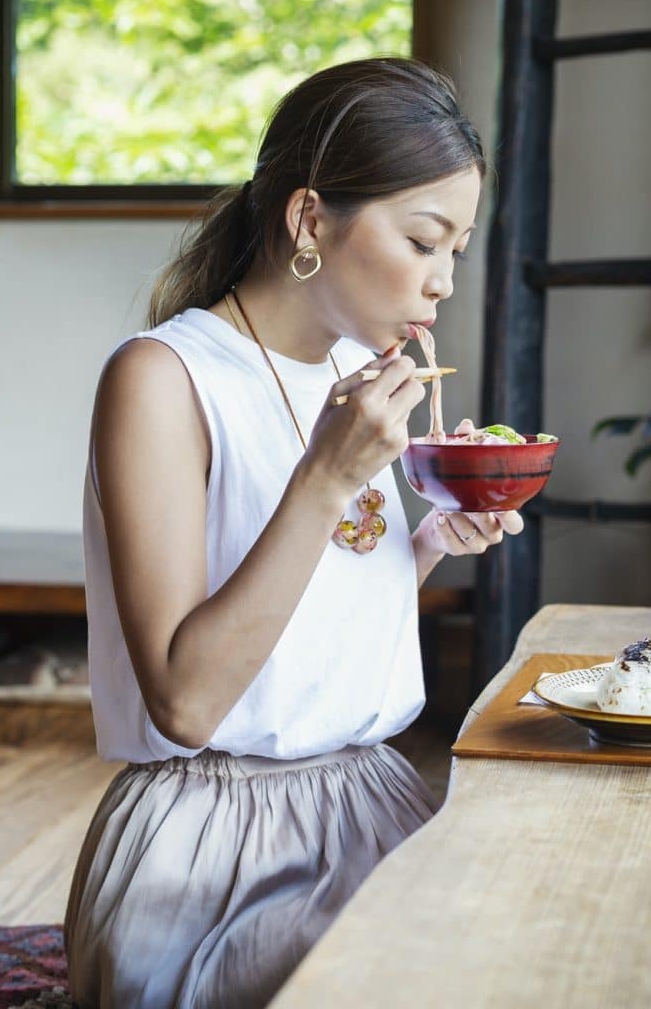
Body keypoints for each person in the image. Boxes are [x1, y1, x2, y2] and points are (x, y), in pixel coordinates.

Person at [63, 56, 524, 1008]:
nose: (442, 285)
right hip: (210, 841)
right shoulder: (161, 377)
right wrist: (328, 474)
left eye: (458, 253)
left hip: (372, 796)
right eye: (422, 240)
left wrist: (431, 537)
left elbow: (319, 602)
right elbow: (186, 702)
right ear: (311, 220)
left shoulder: (352, 369)